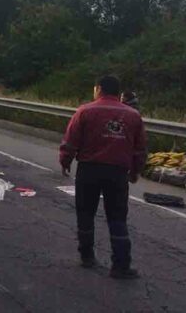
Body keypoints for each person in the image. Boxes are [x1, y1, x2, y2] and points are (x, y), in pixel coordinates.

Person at [60, 75, 147, 279]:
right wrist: (135, 172)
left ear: (98, 89)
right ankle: (121, 265)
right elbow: (140, 149)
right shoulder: (133, 116)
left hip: (89, 170)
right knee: (117, 218)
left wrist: (65, 162)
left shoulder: (85, 111)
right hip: (117, 174)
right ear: (118, 92)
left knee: (85, 213)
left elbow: (70, 141)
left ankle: (87, 256)